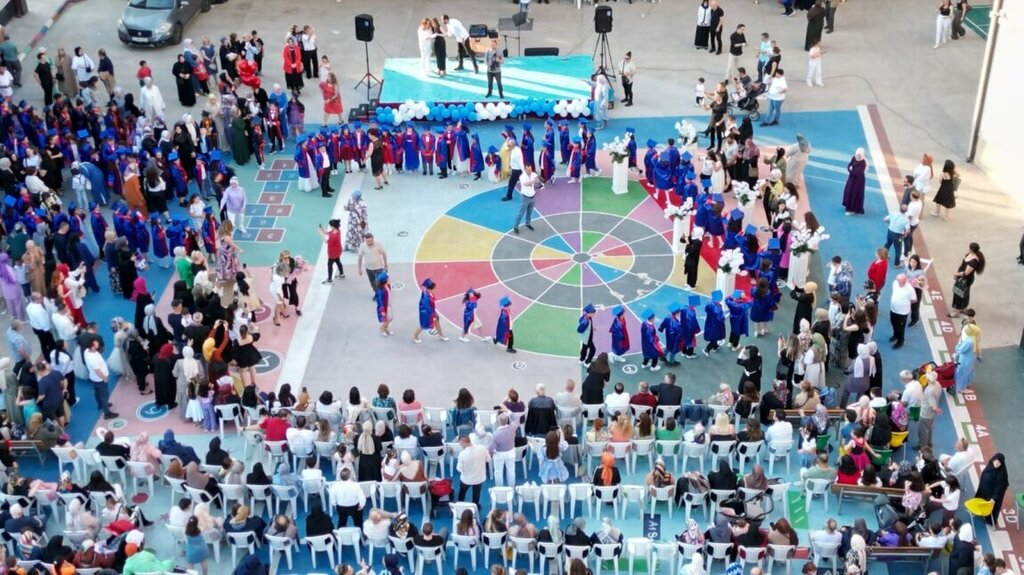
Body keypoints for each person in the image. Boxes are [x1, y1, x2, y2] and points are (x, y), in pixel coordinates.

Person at [949, 242, 984, 317]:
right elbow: (962, 264)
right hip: (961, 278)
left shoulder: (974, 261)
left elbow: (966, 273)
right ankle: (962, 307)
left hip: (965, 280)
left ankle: (957, 312)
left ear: (971, 249)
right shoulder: (969, 254)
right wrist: (957, 273)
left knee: (958, 294)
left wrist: (956, 274)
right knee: (964, 294)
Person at [513, 163, 540, 235]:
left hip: (533, 196)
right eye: (528, 169)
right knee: (521, 213)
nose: (530, 170)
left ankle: (527, 224)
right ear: (525, 169)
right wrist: (533, 181)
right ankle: (515, 226)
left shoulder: (533, 174)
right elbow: (525, 184)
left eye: (531, 169)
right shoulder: (522, 176)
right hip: (525, 197)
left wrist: (537, 180)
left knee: (530, 212)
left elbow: (537, 180)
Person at [842, 149, 868, 215]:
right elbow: (849, 165)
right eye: (857, 155)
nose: (857, 157)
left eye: (859, 156)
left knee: (855, 193)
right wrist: (850, 169)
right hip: (851, 179)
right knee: (849, 191)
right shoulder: (853, 158)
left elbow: (858, 172)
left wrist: (851, 170)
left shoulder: (863, 163)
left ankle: (852, 209)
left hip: (858, 182)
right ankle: (848, 206)